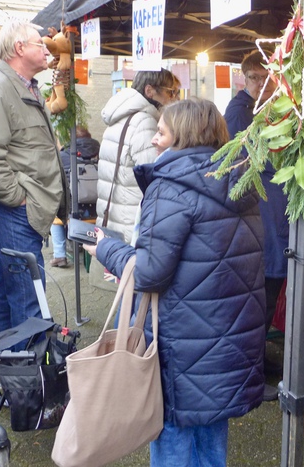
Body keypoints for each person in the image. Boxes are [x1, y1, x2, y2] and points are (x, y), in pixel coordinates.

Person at [85, 98, 265, 467]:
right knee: (211, 434)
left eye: (161, 132)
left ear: (184, 136)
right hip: (228, 340)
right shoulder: (241, 181)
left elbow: (149, 273)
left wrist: (106, 248)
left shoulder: (170, 186)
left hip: (181, 343)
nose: (154, 139)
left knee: (172, 438)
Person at [0, 19, 69, 345]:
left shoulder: (26, 88)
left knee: (12, 290)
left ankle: (9, 366)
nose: (47, 49)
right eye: (40, 43)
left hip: (19, 207)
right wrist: (17, 197)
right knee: (28, 296)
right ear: (20, 48)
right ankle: (31, 370)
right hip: (10, 208)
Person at [224, 50, 286, 401]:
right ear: (243, 78)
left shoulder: (266, 107)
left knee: (267, 297)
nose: (263, 83)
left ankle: (258, 360)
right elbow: (241, 164)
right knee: (257, 302)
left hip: (271, 218)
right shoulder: (239, 112)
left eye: (268, 77)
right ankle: (248, 375)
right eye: (255, 78)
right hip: (259, 219)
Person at [96, 69, 180, 243]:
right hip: (130, 226)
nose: (175, 98)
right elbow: (155, 177)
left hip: (112, 220)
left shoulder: (119, 116)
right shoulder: (144, 122)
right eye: (171, 92)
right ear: (149, 91)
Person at [50, 126, 101, 268]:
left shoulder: (63, 155)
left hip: (73, 210)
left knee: (55, 217)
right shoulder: (100, 152)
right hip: (97, 208)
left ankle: (60, 255)